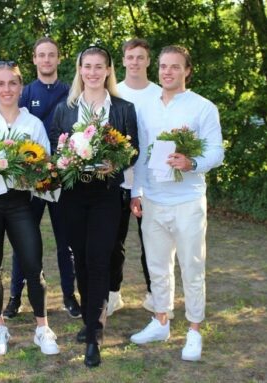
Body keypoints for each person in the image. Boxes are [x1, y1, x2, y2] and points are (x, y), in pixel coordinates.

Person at [129, 45, 224, 362]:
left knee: (192, 267)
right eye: (163, 66)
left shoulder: (202, 107)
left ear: (187, 70)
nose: (167, 72)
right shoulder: (146, 108)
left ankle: (194, 330)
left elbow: (216, 153)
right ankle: (160, 321)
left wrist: (191, 162)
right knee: (157, 267)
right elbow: (141, 153)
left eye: (174, 66)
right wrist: (136, 191)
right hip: (154, 199)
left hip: (188, 200)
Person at [50, 46, 138, 367]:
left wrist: (114, 163)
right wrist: (66, 159)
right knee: (82, 262)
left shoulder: (124, 108)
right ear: (79, 69)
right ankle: (90, 317)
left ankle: (94, 331)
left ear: (108, 70)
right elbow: (54, 149)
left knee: (100, 258)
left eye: (99, 66)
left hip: (106, 194)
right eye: (87, 66)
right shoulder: (65, 109)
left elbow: (133, 150)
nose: (92, 72)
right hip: (74, 194)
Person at [0, 62, 59, 356]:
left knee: (33, 265)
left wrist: (33, 173)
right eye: (0, 84)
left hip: (20, 205)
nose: (6, 89)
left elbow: (46, 166)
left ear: (20, 87)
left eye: (12, 83)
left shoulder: (33, 125)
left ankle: (42, 328)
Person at [3, 37, 80, 320]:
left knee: (66, 242)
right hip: (31, 181)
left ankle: (70, 297)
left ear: (59, 59)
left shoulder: (71, 92)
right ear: (34, 60)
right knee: (24, 242)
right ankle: (15, 297)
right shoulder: (24, 93)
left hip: (61, 177)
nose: (46, 60)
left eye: (51, 55)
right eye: (41, 55)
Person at [107, 38, 174, 318]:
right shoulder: (113, 93)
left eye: (140, 57)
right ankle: (112, 295)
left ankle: (156, 296)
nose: (135, 62)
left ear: (148, 61)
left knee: (154, 243)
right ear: (122, 61)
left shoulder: (161, 94)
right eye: (130, 57)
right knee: (113, 241)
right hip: (116, 181)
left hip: (152, 183)